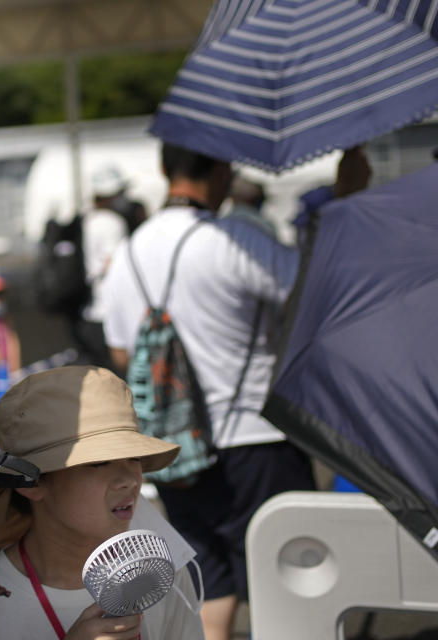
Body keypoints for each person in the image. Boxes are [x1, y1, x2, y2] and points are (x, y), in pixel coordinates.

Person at [99, 143, 316, 640]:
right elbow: (311, 298)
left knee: (210, 586)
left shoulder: (128, 252)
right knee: (293, 585)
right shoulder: (236, 237)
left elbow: (119, 355)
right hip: (257, 442)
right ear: (222, 169)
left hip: (176, 453)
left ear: (163, 169)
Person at [0, 366, 204, 640]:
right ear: (33, 484)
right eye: (99, 462)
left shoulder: (162, 577)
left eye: (135, 458)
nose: (130, 479)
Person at [71, 166, 131, 373]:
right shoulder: (111, 223)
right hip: (109, 312)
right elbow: (113, 262)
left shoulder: (87, 219)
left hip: (89, 311)